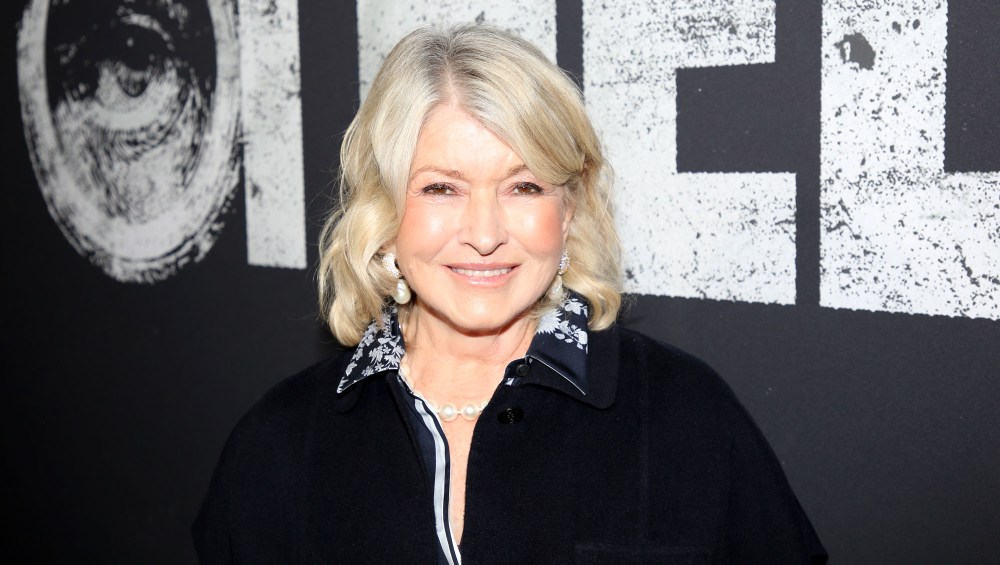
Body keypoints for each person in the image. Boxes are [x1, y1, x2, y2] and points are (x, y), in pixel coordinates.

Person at [193, 24, 827, 564]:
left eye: (523, 187)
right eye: (441, 188)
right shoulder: (278, 446)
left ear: (569, 210)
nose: (485, 234)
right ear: (384, 213)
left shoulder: (686, 416)